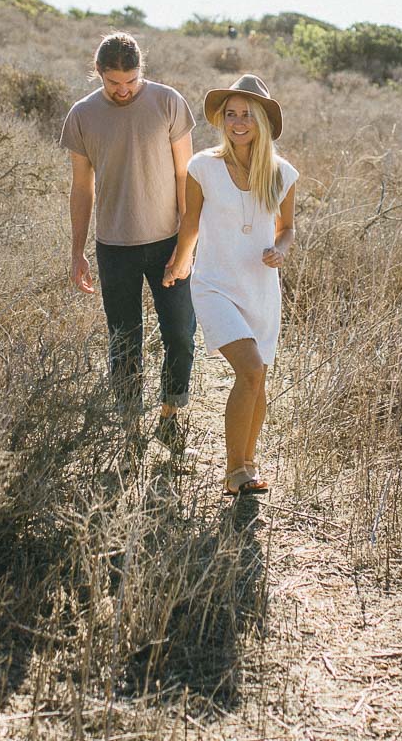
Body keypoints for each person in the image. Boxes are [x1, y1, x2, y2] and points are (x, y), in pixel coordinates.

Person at [164, 74, 297, 496]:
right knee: (251, 369)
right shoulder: (202, 166)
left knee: (258, 381)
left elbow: (287, 228)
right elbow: (190, 222)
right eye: (231, 114)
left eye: (247, 115)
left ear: (262, 121)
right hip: (214, 284)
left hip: (261, 287)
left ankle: (248, 465)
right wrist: (179, 264)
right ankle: (234, 471)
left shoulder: (281, 173)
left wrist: (280, 249)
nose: (238, 122)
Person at [62, 32, 196, 439]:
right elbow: (82, 187)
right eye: (114, 83)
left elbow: (186, 177)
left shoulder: (168, 102)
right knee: (123, 341)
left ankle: (170, 417)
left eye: (131, 82)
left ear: (142, 71)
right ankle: (131, 428)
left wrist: (187, 246)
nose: (123, 90)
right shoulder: (82, 115)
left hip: (168, 242)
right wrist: (77, 252)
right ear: (98, 72)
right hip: (114, 247)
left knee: (180, 334)